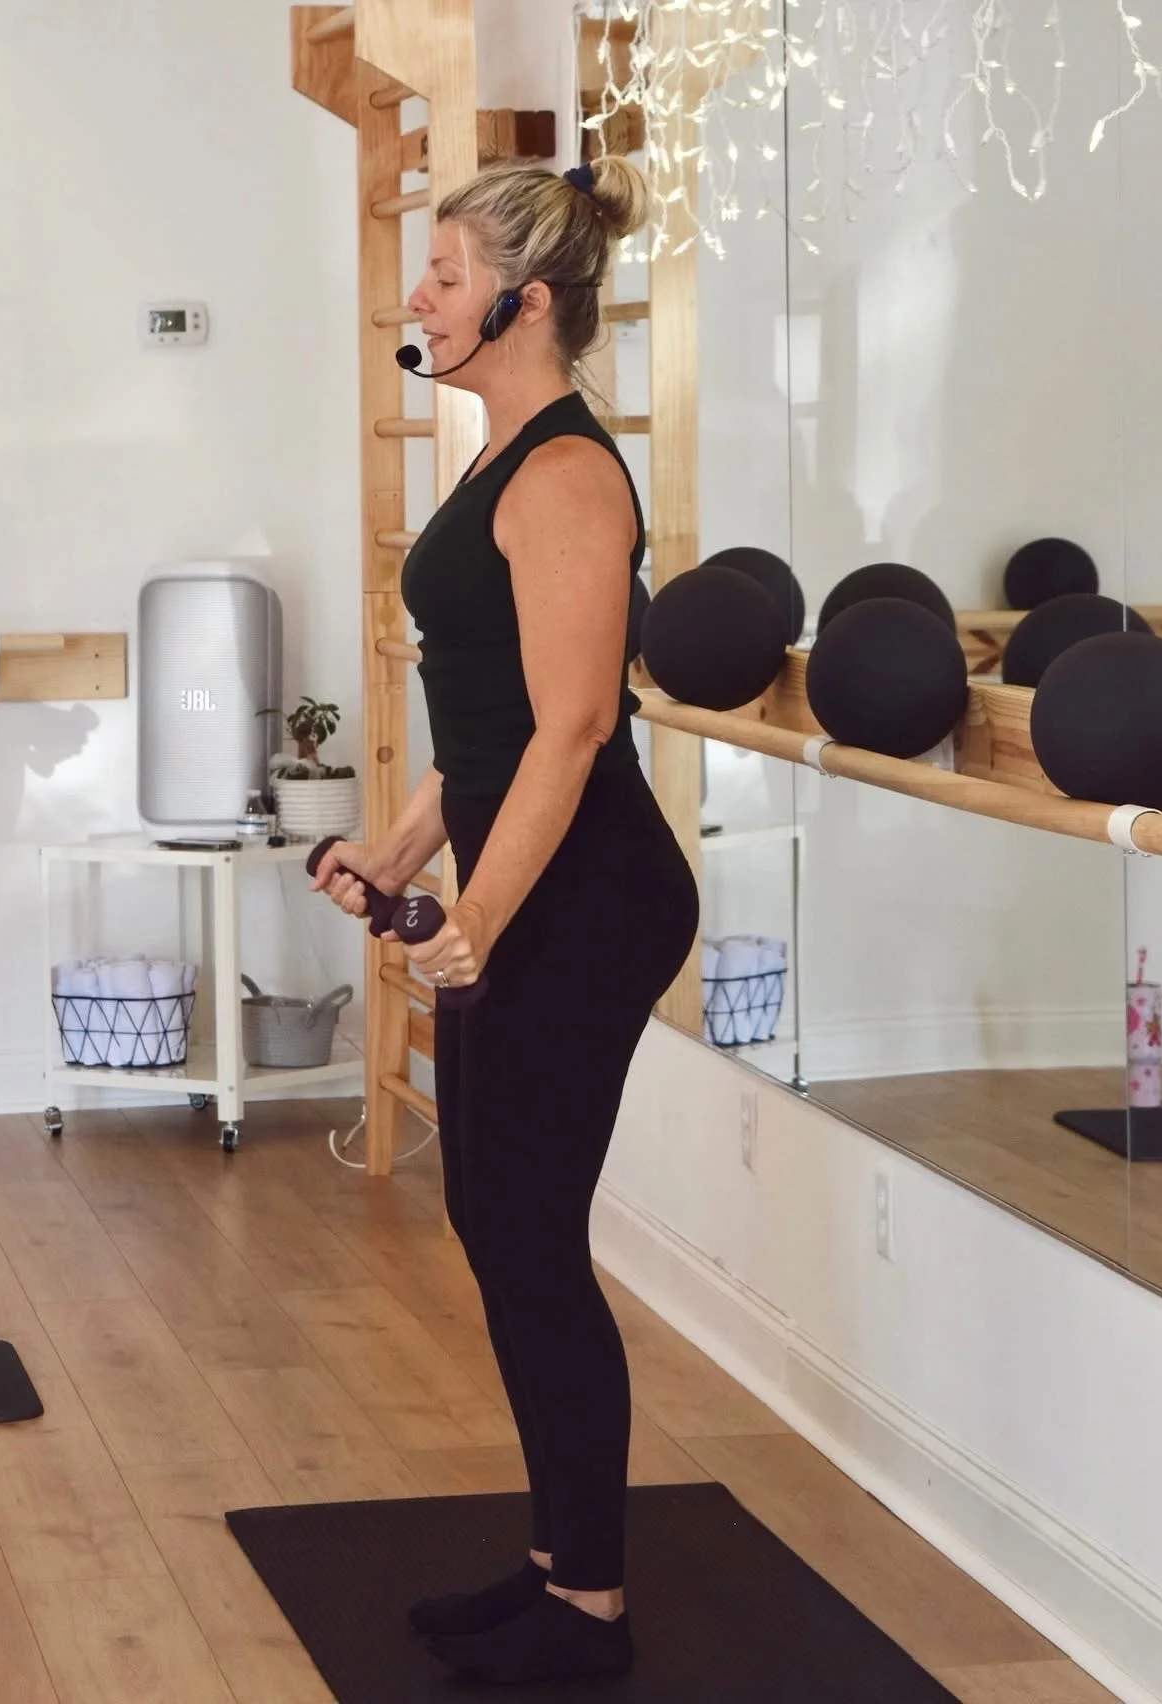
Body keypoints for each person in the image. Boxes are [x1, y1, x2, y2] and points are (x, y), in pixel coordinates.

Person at [312, 154, 700, 1687]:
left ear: (525, 303)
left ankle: (589, 1607)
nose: (420, 296)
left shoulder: (564, 475)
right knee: (495, 1224)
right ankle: (557, 1561)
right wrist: (391, 842)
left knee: (530, 1234)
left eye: (448, 276)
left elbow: (569, 732)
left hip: (588, 899)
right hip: (518, 877)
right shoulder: (488, 461)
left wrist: (470, 912)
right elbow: (479, 738)